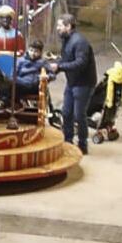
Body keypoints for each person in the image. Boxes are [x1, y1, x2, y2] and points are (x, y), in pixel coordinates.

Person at [48, 13, 96, 154]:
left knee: (78, 115)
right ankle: (68, 141)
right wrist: (53, 71)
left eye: (60, 26)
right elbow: (65, 59)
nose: (57, 28)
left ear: (68, 26)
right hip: (72, 82)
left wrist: (60, 67)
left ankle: (82, 144)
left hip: (83, 84)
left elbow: (80, 63)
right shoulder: (67, 40)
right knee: (66, 112)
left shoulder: (79, 42)